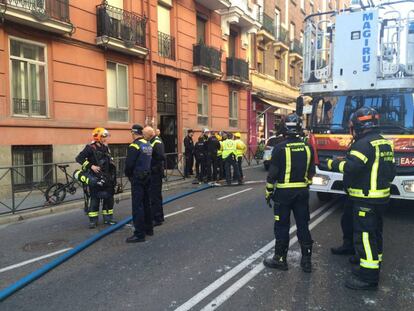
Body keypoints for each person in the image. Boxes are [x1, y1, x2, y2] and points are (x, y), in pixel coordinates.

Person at [327, 107, 395, 290]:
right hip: (381, 197)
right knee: (375, 233)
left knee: (364, 235)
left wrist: (334, 163)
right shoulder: (384, 143)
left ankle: (368, 276)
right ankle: (373, 262)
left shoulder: (362, 144)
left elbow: (352, 167)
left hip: (366, 199)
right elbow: (391, 171)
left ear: (358, 126)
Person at [263, 114, 315, 273]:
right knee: (303, 225)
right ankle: (306, 262)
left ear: (284, 128)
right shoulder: (308, 147)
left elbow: (272, 175)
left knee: (282, 226)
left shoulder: (279, 148)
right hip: (302, 193)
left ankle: (280, 259)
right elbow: (311, 172)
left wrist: (269, 192)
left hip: (283, 194)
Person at [76, 128, 117, 229]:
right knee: (95, 199)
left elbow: (108, 160)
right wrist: (91, 166)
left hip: (106, 177)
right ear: (98, 137)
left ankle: (108, 219)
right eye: (104, 136)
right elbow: (79, 158)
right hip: (95, 178)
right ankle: (93, 221)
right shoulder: (90, 147)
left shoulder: (106, 147)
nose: (106, 138)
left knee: (108, 198)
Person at [124, 124, 154, 243]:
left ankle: (139, 234)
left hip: (138, 178)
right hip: (147, 176)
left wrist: (129, 175)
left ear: (133, 133)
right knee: (146, 203)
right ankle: (149, 229)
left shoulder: (134, 145)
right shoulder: (148, 144)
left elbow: (129, 164)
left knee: (137, 206)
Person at [145, 126, 166, 227]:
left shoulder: (156, 142)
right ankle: (159, 216)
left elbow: (160, 157)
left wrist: (153, 168)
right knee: (155, 196)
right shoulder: (153, 141)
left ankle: (157, 218)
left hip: (155, 173)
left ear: (149, 134)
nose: (144, 137)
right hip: (155, 172)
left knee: (154, 196)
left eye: (145, 135)